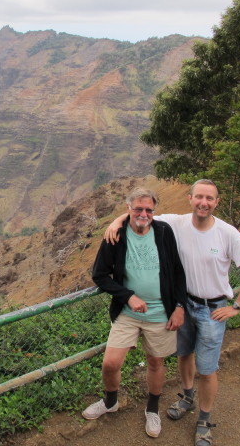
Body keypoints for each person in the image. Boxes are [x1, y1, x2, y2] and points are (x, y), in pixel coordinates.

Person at [103, 179, 240, 446]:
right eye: (199, 197)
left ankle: (204, 418)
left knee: (208, 368)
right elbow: (142, 213)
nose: (204, 202)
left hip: (212, 308)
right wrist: (117, 221)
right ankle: (187, 396)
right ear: (190, 198)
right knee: (184, 355)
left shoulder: (228, 233)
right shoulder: (176, 223)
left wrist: (237, 307)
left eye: (209, 198)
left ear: (216, 202)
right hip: (182, 305)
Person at [82, 187, 187, 438]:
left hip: (161, 312)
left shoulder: (163, 232)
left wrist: (180, 307)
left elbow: (177, 270)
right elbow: (99, 275)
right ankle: (110, 401)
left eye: (148, 209)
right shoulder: (116, 235)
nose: (143, 213)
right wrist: (127, 296)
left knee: (155, 361)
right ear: (128, 208)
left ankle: (152, 409)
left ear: (154, 211)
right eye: (138, 208)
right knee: (110, 363)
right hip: (128, 313)